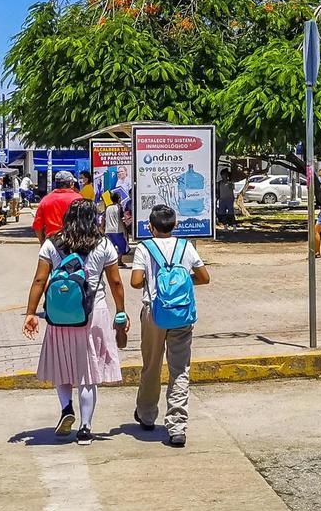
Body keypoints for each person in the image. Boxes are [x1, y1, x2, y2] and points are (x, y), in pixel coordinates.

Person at [22, 199, 125, 444]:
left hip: (59, 315)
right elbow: (116, 283)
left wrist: (30, 313)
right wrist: (121, 311)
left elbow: (39, 281)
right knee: (87, 373)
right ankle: (85, 428)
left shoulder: (51, 244)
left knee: (62, 367)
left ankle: (67, 408)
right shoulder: (103, 245)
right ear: (94, 219)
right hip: (93, 313)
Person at [130, 204, 210, 447]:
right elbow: (205, 277)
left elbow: (135, 282)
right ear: (176, 225)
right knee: (180, 369)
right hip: (182, 315)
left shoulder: (144, 247)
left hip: (154, 314)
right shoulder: (186, 246)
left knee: (151, 365)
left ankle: (146, 414)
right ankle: (177, 426)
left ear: (150, 227)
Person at [33, 170, 82, 243]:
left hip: (52, 241)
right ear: (71, 184)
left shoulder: (46, 200)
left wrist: (42, 242)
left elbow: (37, 226)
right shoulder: (78, 199)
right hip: (73, 241)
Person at [101, 189, 127, 259]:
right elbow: (122, 218)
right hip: (117, 230)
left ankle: (112, 261)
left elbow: (103, 218)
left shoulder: (108, 207)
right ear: (119, 199)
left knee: (111, 247)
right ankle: (119, 260)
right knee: (122, 246)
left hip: (108, 230)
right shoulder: (119, 207)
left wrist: (101, 227)